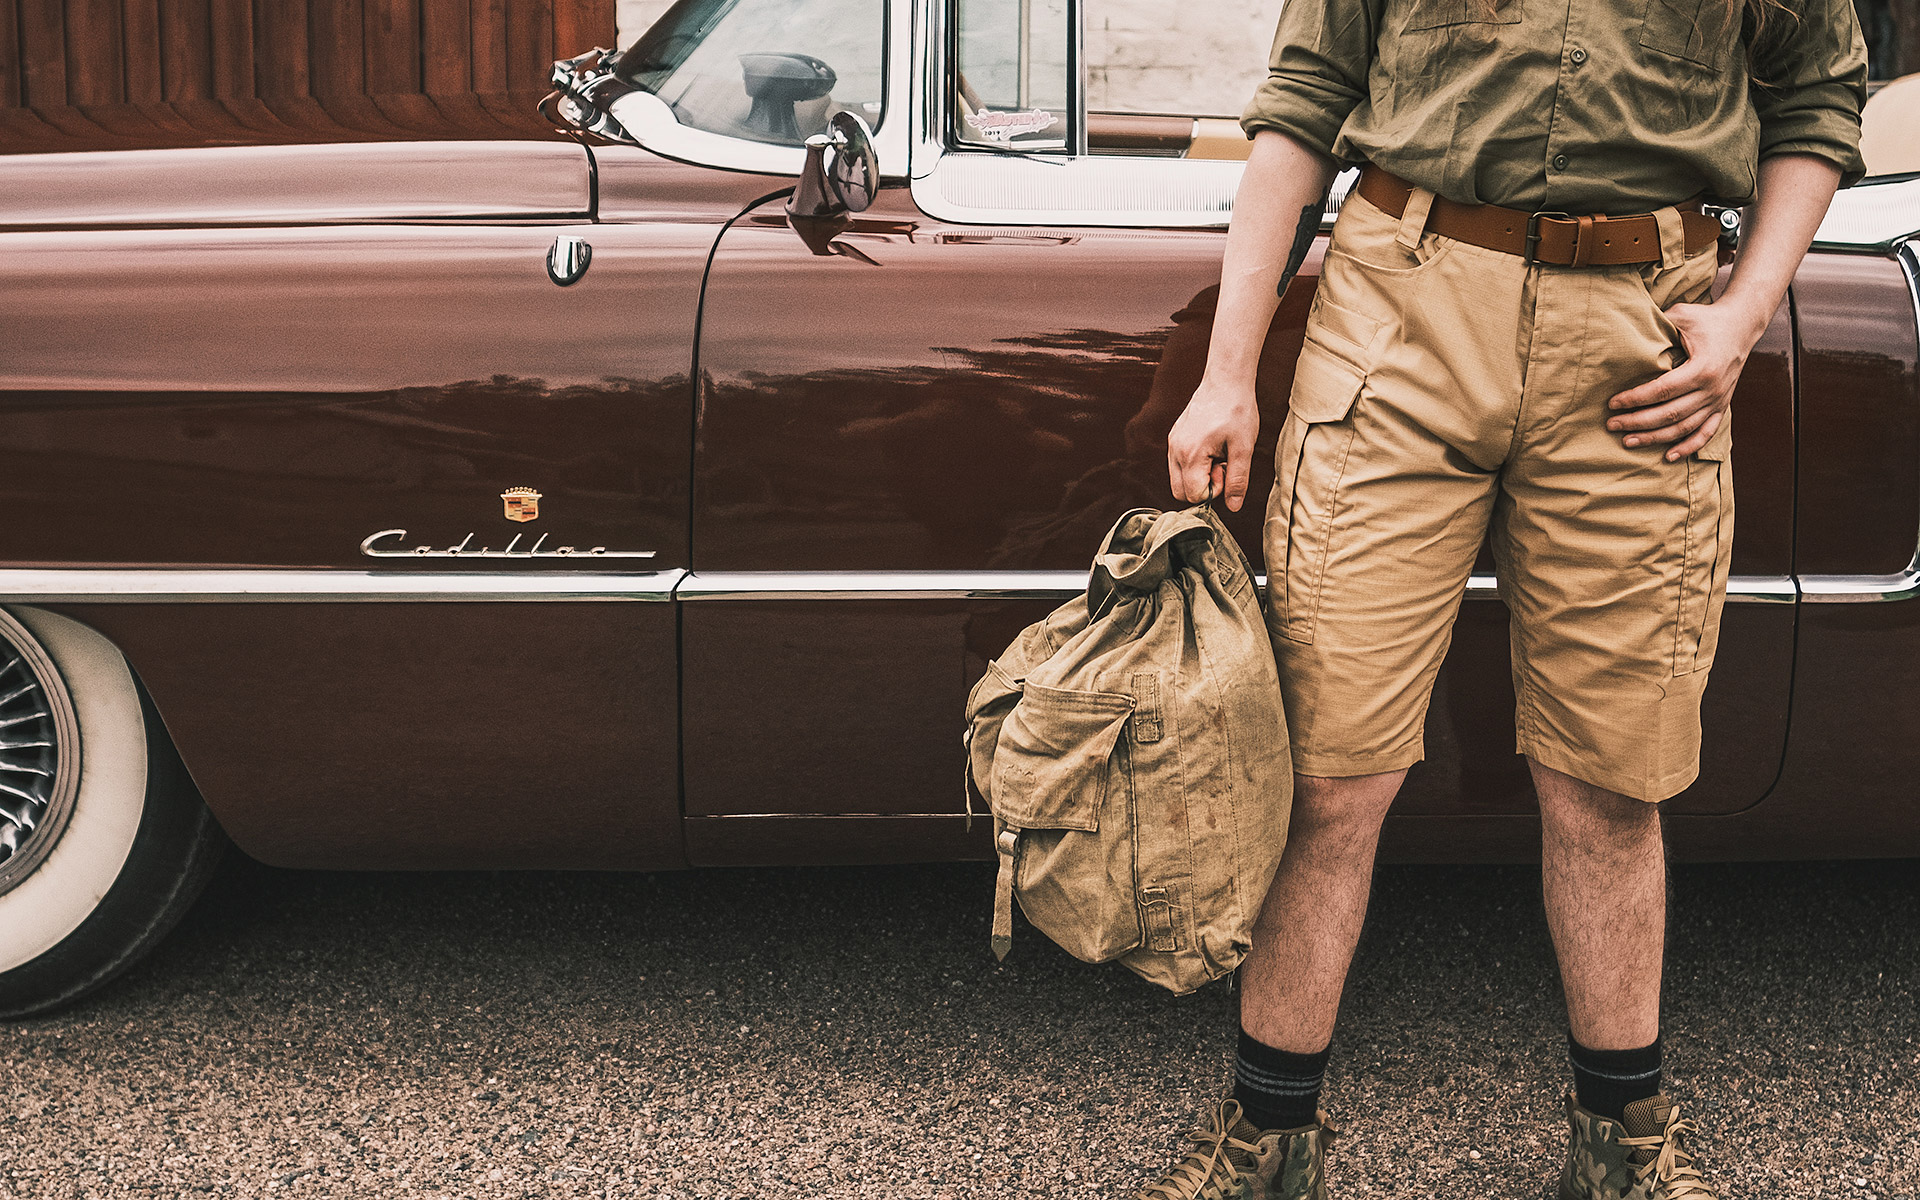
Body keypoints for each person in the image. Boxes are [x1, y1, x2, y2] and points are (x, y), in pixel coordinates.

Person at [1147, 1, 1866, 1197]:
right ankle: (1267, 1144)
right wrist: (1230, 372)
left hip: (1648, 339)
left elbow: (1818, 100)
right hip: (1399, 309)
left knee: (1610, 778)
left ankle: (1623, 1147)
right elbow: (1304, 102)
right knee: (1329, 769)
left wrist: (1744, 314)